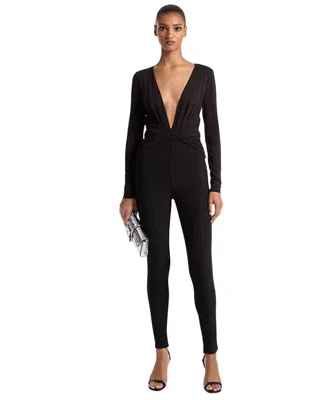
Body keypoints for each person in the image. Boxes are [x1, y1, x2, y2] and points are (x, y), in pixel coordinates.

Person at [119, 4, 223, 393]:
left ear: (185, 31)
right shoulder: (141, 79)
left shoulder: (204, 75)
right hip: (151, 176)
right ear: (155, 31)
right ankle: (161, 352)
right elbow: (133, 135)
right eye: (163, 28)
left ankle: (211, 355)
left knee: (201, 265)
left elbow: (213, 129)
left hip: (193, 172)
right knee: (157, 264)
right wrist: (128, 192)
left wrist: (216, 184)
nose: (169, 35)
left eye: (176, 28)